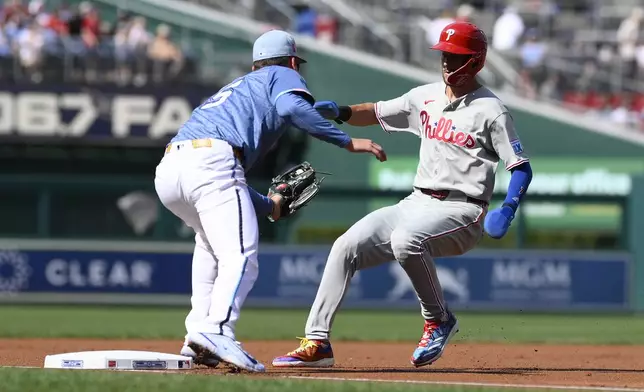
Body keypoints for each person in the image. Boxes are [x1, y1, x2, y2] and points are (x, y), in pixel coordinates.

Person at [272, 22, 533, 369]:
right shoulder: (424, 96)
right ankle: (317, 341)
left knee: (406, 240)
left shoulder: (492, 110)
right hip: (417, 201)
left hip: (463, 209)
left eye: (454, 56)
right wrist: (342, 112)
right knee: (345, 246)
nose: (446, 62)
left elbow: (520, 166)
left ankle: (438, 320)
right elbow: (378, 111)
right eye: (443, 55)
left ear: (475, 61)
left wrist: (509, 208)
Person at [154, 29, 387, 373]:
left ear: (255, 64)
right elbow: (291, 106)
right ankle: (217, 331)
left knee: (210, 249)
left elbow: (222, 186)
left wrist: (270, 205)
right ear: (292, 62)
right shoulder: (282, 75)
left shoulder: (238, 89)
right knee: (241, 256)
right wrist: (347, 141)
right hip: (213, 164)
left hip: (172, 169)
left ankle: (196, 339)